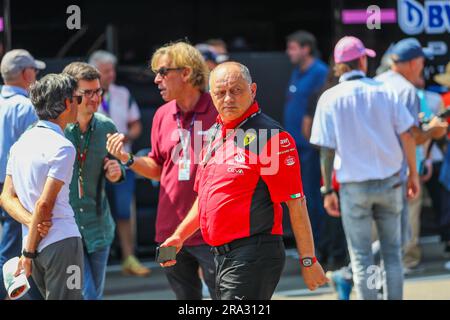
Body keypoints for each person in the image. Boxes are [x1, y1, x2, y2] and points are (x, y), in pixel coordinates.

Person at [157, 61, 328, 300]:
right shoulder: (215, 133)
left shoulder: (270, 137)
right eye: (220, 92)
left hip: (254, 255)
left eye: (236, 90)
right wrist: (180, 236)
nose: (228, 99)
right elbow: (205, 199)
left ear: (253, 90)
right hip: (221, 257)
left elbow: (296, 203)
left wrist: (308, 260)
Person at [311, 36, 420, 300]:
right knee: (393, 255)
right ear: (362, 60)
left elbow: (326, 150)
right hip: (391, 181)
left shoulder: (329, 98)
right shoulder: (386, 90)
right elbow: (407, 135)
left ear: (339, 66)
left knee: (361, 258)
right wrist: (412, 175)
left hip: (354, 187)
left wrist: (327, 190)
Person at [107, 42, 218, 300]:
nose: (156, 79)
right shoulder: (162, 114)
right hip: (169, 231)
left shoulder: (219, 110)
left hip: (212, 231)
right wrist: (128, 159)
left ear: (187, 73)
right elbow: (158, 168)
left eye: (163, 72)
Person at [0, 73, 84, 300]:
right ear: (67, 103)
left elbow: (6, 198)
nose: (79, 105)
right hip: (61, 242)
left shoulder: (19, 145)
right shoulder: (63, 147)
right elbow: (44, 203)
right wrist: (28, 250)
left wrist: (30, 232)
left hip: (34, 246)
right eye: (78, 99)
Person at [375, 38, 448, 270]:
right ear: (413, 62)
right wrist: (433, 131)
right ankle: (350, 275)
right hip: (399, 172)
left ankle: (361, 275)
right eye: (420, 60)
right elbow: (411, 136)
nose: (422, 64)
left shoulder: (375, 83)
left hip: (373, 170)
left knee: (382, 235)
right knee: (399, 237)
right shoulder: (407, 90)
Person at [62, 62, 124, 300]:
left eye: (98, 91)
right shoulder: (58, 129)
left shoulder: (106, 126)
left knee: (93, 294)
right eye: (87, 93)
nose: (95, 97)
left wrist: (116, 172)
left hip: (99, 227)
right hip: (68, 230)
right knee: (84, 295)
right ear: (70, 94)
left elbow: (116, 166)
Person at [88, 50, 150, 277]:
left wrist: (123, 137)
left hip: (122, 159)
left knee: (125, 210)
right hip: (93, 162)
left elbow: (136, 125)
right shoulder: (84, 94)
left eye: (113, 70)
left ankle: (128, 257)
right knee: (93, 210)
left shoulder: (123, 93)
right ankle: (95, 261)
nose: (111, 74)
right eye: (106, 71)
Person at [0, 49, 46, 300]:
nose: (37, 75)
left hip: (6, 187)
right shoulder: (26, 107)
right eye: (35, 71)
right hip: (14, 189)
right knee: (14, 247)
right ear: (26, 73)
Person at [283, 30, 328, 253]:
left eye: (292, 47)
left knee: (312, 196)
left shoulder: (320, 72)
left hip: (310, 148)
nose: (288, 52)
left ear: (306, 49)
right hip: (294, 148)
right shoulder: (297, 72)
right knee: (298, 198)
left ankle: (319, 245)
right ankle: (308, 245)